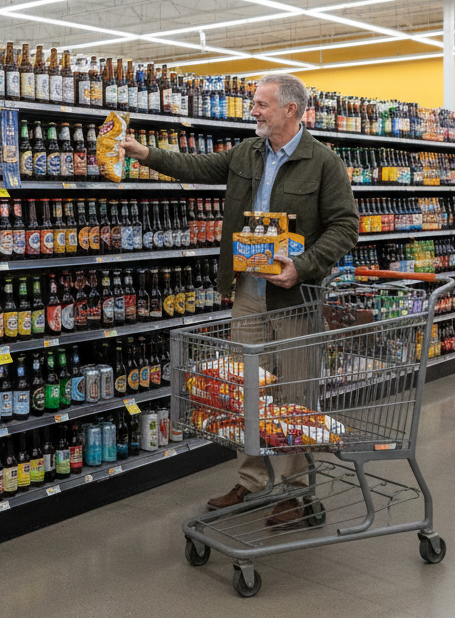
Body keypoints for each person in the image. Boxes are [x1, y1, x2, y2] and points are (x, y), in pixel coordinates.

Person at [119, 72, 359, 527]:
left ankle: (295, 490)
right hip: (247, 294)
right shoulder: (247, 153)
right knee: (243, 393)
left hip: (295, 300)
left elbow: (346, 226)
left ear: (291, 110)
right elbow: (195, 167)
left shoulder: (323, 162)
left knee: (294, 398)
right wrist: (143, 153)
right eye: (254, 103)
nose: (253, 110)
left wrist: (303, 266)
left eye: (261, 104)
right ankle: (251, 480)